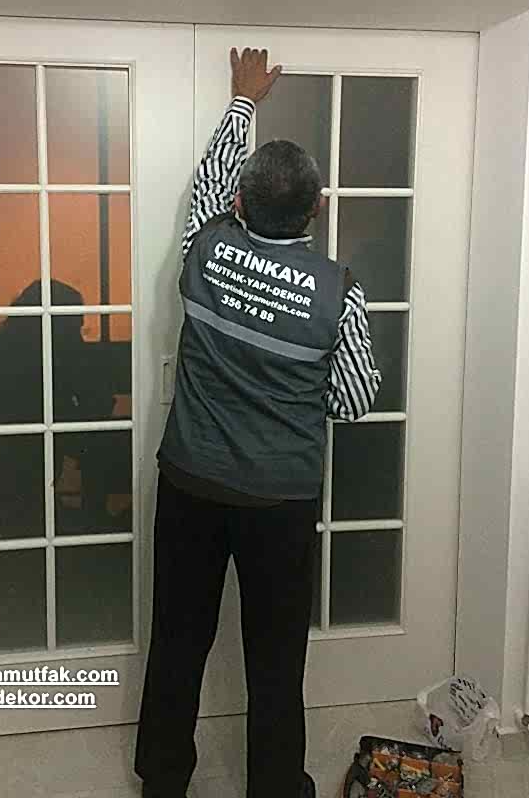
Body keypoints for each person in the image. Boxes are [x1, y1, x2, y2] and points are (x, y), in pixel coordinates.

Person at [134, 48, 382, 798]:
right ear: (316, 210)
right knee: (275, 658)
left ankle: (164, 782)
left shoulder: (206, 248)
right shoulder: (337, 291)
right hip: (280, 503)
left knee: (178, 639)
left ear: (240, 205)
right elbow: (355, 399)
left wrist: (243, 100)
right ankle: (275, 786)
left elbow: (210, 179)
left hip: (191, 485)